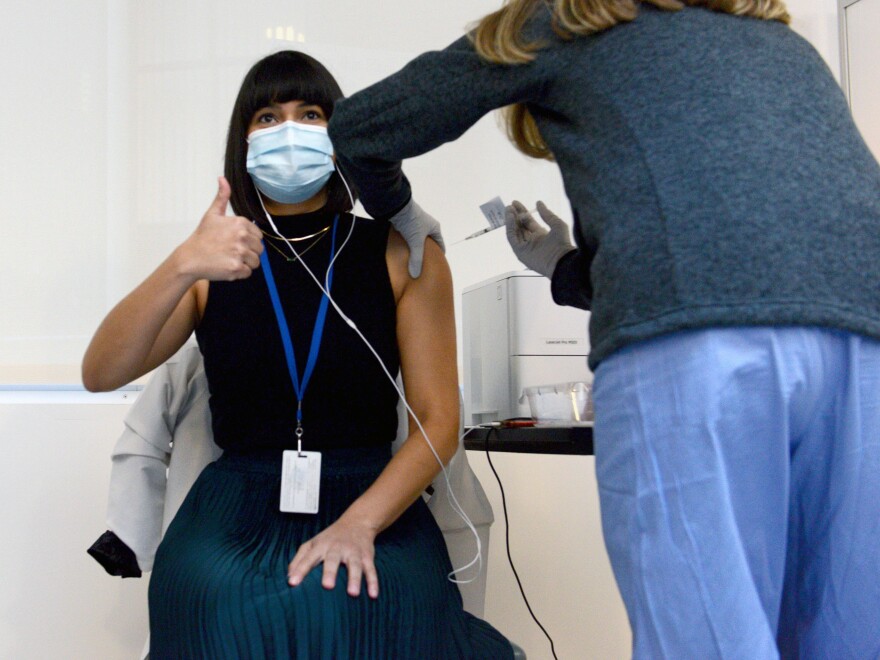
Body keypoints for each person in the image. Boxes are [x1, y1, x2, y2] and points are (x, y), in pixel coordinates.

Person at [326, 1, 880, 657]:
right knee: (848, 631)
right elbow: (744, 254)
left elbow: (360, 127)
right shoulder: (782, 46)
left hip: (698, 358)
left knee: (705, 640)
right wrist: (566, 267)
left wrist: (398, 211)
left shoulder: (562, 20)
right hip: (864, 338)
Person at [82, 50, 513, 659]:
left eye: (310, 113)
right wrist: (182, 263)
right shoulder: (214, 264)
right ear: (243, 140)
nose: (289, 129)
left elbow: (438, 421)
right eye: (267, 116)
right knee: (221, 601)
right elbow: (99, 373)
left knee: (376, 599)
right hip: (235, 506)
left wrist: (361, 523)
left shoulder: (402, 253)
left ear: (340, 136)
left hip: (373, 498)